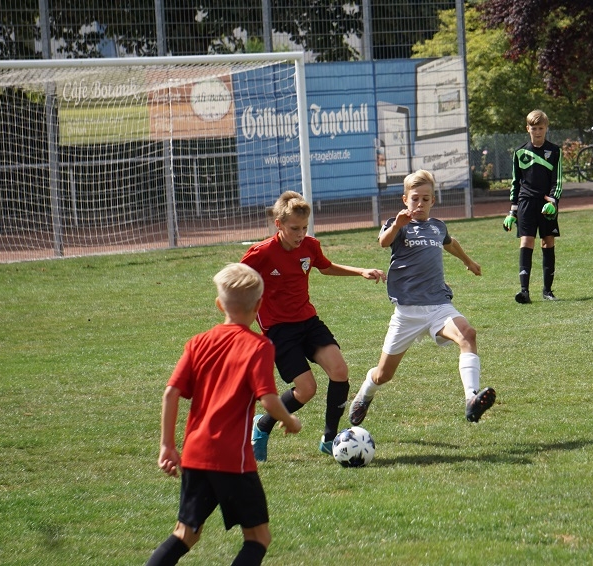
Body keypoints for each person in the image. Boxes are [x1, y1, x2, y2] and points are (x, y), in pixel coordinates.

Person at [147, 263, 302, 566]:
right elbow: (268, 399)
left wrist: (167, 446)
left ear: (219, 304)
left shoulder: (198, 343)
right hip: (232, 459)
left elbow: (170, 393)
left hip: (194, 455)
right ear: (259, 305)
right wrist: (290, 420)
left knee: (185, 534)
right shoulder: (258, 346)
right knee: (258, 538)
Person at [240, 191, 386, 462]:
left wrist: (360, 271)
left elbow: (325, 267)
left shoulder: (310, 246)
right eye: (294, 228)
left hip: (307, 322)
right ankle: (262, 426)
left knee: (340, 371)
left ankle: (329, 439)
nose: (300, 234)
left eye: (304, 228)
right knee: (307, 390)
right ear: (279, 224)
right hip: (278, 330)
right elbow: (236, 280)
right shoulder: (262, 253)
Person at [348, 169, 496, 427]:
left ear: (433, 201)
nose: (419, 204)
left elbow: (450, 242)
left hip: (439, 306)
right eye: (415, 198)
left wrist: (468, 261)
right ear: (405, 199)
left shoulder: (438, 227)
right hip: (407, 313)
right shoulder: (398, 225)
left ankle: (471, 399)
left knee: (468, 334)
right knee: (384, 375)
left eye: (425, 199)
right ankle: (365, 393)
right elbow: (383, 242)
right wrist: (397, 224)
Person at [504, 109, 564, 303]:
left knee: (547, 242)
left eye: (541, 128)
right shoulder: (519, 152)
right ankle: (524, 291)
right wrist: (512, 212)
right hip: (526, 203)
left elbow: (557, 181)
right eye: (534, 128)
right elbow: (515, 183)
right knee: (526, 241)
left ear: (546, 128)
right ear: (527, 128)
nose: (537, 132)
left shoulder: (555, 151)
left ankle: (547, 291)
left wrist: (553, 201)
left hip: (547, 204)